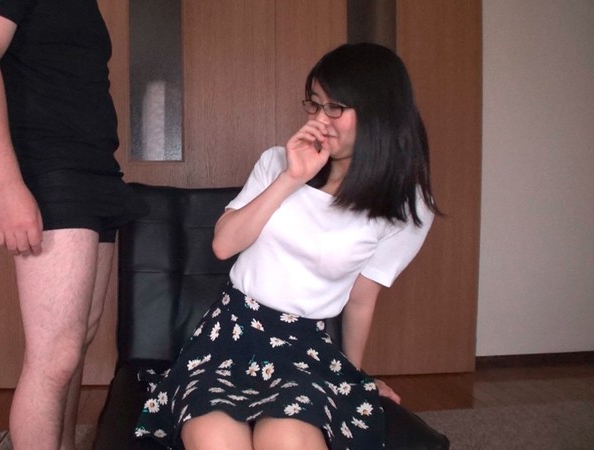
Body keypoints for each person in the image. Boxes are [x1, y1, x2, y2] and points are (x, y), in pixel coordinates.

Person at [134, 42, 439, 449]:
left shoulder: (405, 207)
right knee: (215, 440)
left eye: (335, 107)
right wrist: (292, 178)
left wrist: (352, 378)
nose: (319, 119)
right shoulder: (276, 163)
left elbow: (361, 299)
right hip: (229, 335)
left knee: (287, 440)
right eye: (314, 104)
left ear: (379, 112)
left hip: (304, 350)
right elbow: (224, 245)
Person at [0, 1, 146, 449]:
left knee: (74, 347)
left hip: (95, 168)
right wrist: (6, 185)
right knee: (53, 357)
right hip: (50, 169)